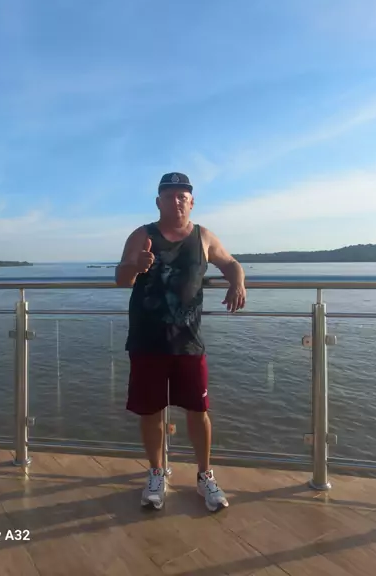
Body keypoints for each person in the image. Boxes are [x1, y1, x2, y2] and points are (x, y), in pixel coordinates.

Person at [115, 172, 246, 511]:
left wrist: (238, 282)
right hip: (147, 340)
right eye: (169, 195)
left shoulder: (204, 237)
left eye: (182, 196)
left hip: (188, 341)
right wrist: (136, 266)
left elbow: (231, 263)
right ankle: (156, 473)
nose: (176, 201)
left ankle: (205, 476)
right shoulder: (142, 234)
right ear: (158, 202)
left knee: (198, 410)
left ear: (192, 202)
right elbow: (121, 278)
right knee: (150, 412)